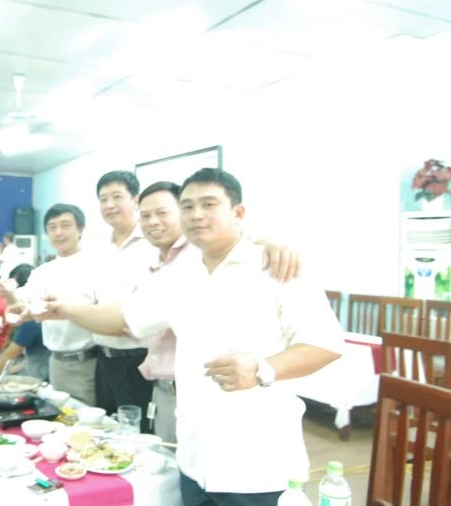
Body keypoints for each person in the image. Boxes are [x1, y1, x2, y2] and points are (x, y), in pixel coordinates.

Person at [42, 169, 343, 506]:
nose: (196, 214)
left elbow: (326, 343)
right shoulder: (181, 277)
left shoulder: (276, 266)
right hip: (194, 459)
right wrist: (66, 310)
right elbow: (123, 316)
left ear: (238, 213)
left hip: (257, 467)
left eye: (209, 204)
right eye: (187, 207)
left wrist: (263, 369)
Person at [1, 204, 99, 405]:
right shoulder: (42, 272)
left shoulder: (94, 265)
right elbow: (22, 304)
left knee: (86, 420)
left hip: (87, 361)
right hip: (54, 362)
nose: (59, 232)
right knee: (59, 416)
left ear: (80, 229)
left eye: (65, 225)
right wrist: (9, 294)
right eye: (52, 227)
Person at [92, 170, 155, 432]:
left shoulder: (154, 241)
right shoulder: (99, 249)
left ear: (136, 200)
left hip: (139, 360)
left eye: (117, 196)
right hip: (104, 360)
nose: (109, 204)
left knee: (139, 437)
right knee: (107, 431)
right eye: (103, 198)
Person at [0, 264, 50, 382]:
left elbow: (9, 355)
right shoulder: (36, 311)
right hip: (36, 366)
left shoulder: (31, 320)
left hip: (39, 375)